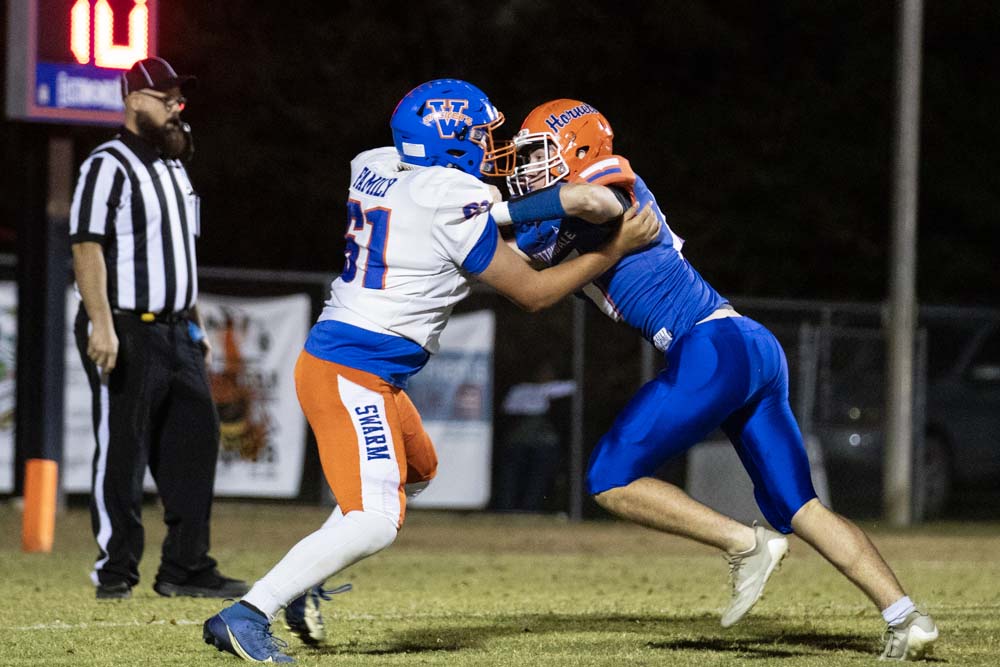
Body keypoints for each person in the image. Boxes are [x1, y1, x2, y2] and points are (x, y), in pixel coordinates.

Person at [201, 79, 660, 663]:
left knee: (417, 471)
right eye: (480, 135)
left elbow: (468, 205)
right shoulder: (447, 195)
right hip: (353, 369)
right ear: (450, 141)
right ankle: (247, 613)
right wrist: (612, 248)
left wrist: (545, 204)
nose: (491, 148)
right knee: (375, 521)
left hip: (360, 364)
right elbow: (534, 292)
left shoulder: (373, 163)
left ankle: (305, 576)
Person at [493, 99, 938, 661]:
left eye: (539, 154)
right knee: (799, 507)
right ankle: (906, 617)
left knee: (610, 477)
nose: (527, 167)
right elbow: (500, 264)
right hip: (746, 345)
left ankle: (744, 544)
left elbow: (594, 200)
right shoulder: (547, 228)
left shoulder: (603, 182)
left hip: (711, 346)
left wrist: (495, 212)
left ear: (578, 149)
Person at [69, 57, 248, 600]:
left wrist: (195, 324)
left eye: (177, 100)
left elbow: (181, 257)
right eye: (164, 99)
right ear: (133, 100)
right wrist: (102, 324)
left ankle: (185, 568)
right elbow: (86, 246)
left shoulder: (174, 169)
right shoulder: (107, 164)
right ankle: (115, 572)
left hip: (177, 331)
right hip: (125, 325)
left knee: (196, 444)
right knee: (123, 450)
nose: (175, 108)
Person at [495, 361, 575, 512]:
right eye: (542, 372)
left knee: (538, 476)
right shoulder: (520, 390)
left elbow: (574, 386)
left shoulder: (556, 388)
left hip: (544, 441)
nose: (545, 375)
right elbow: (507, 411)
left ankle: (530, 508)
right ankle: (506, 507)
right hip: (519, 439)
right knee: (512, 475)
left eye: (548, 372)